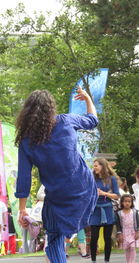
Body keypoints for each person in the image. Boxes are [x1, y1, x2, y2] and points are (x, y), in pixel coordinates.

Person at [14, 88, 98, 263]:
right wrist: (88, 99)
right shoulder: (66, 121)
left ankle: (65, 235)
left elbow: (24, 176)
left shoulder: (27, 141)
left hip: (58, 195)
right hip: (84, 189)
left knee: (53, 238)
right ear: (51, 108)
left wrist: (22, 209)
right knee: (57, 237)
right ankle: (68, 234)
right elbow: (92, 120)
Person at [89, 158, 120, 263]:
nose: (94, 167)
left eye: (96, 165)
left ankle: (107, 260)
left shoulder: (112, 179)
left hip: (107, 210)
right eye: (94, 166)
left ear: (102, 166)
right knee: (94, 237)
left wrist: (104, 193)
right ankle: (93, 260)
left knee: (107, 238)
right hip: (95, 210)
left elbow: (117, 196)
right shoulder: (92, 178)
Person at [116, 194, 139, 263]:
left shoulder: (134, 212)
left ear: (132, 203)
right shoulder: (119, 213)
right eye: (125, 201)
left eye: (129, 201)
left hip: (133, 232)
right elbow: (118, 224)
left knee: (132, 247)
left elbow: (137, 222)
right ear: (122, 202)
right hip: (124, 233)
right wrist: (119, 233)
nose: (127, 203)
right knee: (127, 249)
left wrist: (137, 232)